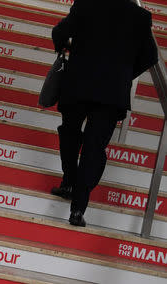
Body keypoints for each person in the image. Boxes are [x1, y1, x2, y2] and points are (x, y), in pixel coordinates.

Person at [50, 0, 158, 226]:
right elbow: (150, 57)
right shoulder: (140, 16)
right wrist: (124, 74)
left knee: (69, 133)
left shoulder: (85, 5)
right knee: (94, 147)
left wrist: (65, 49)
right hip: (111, 92)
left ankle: (68, 181)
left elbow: (59, 32)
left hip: (78, 83)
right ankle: (78, 209)